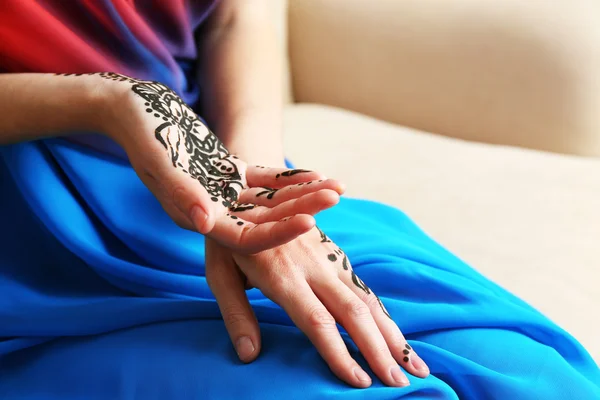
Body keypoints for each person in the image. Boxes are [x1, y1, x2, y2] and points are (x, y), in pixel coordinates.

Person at [0, 1, 598, 399]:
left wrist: (253, 188)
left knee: (535, 379)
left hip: (199, 160)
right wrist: (105, 100)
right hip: (24, 226)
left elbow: (240, 15)